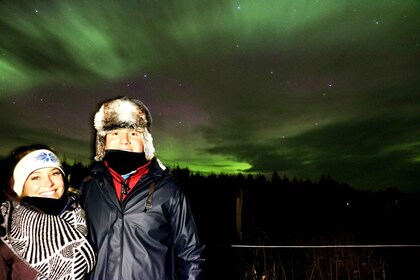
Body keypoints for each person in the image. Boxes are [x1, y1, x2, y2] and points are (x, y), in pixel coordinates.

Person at [79, 96, 205, 280]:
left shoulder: (169, 189)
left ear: (145, 142)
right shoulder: (88, 187)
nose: (124, 141)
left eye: (134, 133)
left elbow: (191, 253)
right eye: (115, 133)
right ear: (102, 142)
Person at [0, 144, 96, 280]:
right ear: (20, 185)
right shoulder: (6, 228)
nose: (49, 183)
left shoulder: (81, 216)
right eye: (35, 177)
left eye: (55, 173)